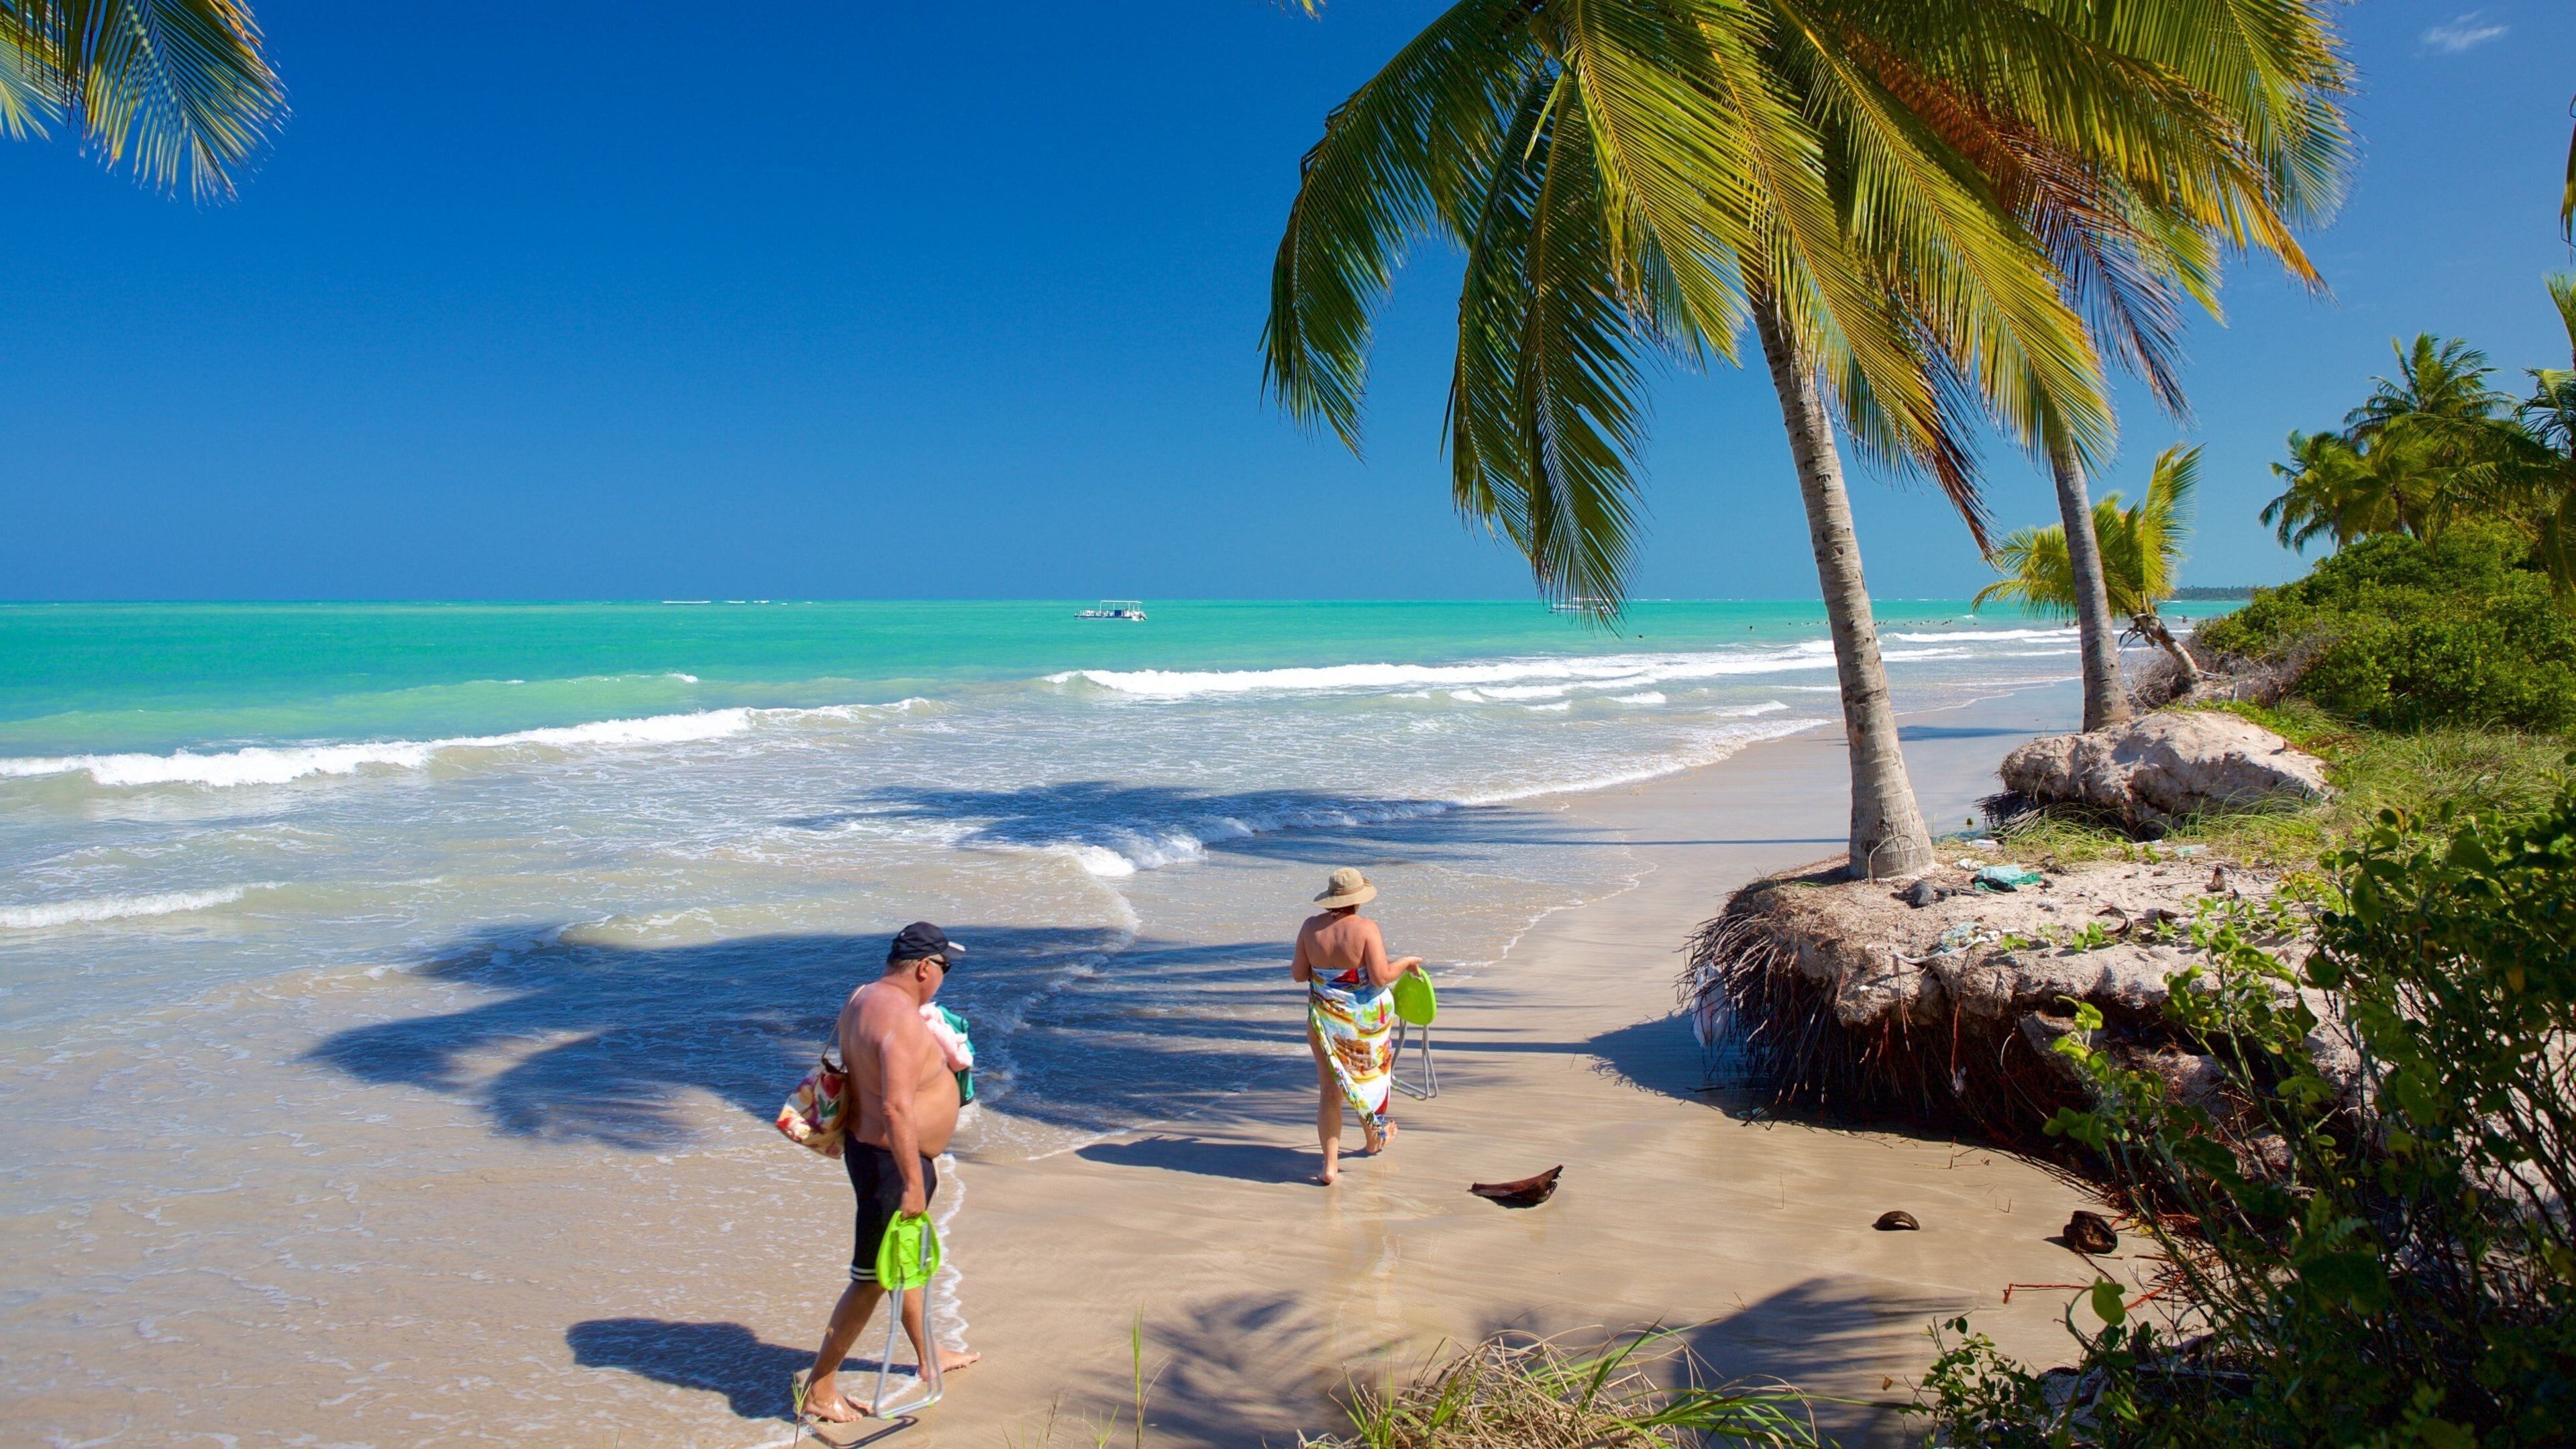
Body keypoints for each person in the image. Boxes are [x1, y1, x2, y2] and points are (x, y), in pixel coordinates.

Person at [800, 922, 982, 1427]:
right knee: (869, 1280)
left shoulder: (863, 997)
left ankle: (929, 1355)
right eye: (944, 967)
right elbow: (899, 1109)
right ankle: (819, 1388)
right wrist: (910, 1183)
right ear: (924, 968)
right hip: (890, 1162)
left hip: (871, 1150)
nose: (944, 977)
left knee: (905, 1259)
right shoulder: (901, 1020)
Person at [1293, 867, 1421, 1185]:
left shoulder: (1310, 927)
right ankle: (1373, 1140)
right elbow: (1379, 977)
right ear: (1358, 900)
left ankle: (1329, 1167)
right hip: (1364, 1024)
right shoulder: (1366, 928)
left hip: (1324, 1019)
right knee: (1370, 1081)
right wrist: (1407, 963)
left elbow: (1298, 974)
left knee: (1330, 1092)